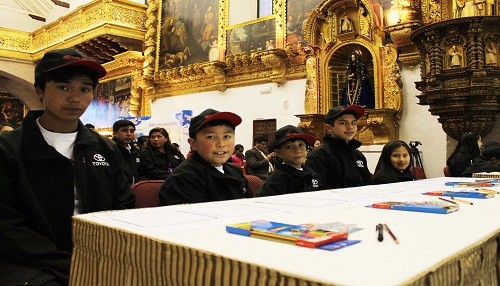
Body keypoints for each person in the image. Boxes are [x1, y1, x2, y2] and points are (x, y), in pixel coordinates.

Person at [0, 48, 135, 285]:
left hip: (99, 255)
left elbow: (122, 205)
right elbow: (7, 226)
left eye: (84, 89)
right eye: (63, 87)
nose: (75, 98)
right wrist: (70, 264)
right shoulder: (9, 150)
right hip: (30, 264)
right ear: (39, 90)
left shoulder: (105, 149)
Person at [159, 108, 252, 205]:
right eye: (211, 137)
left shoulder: (235, 172)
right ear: (194, 144)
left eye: (226, 136)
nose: (221, 144)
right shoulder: (183, 179)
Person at [305, 105, 373, 189]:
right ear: (330, 128)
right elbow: (318, 189)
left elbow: (368, 183)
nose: (350, 127)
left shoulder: (357, 154)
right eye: (343, 123)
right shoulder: (319, 155)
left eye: (353, 123)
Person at [259, 125, 320, 196]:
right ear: (278, 153)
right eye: (289, 147)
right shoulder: (277, 181)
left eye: (301, 145)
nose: (298, 151)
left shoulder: (311, 173)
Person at [112, 119, 140, 184]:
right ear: (115, 133)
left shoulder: (135, 151)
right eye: (124, 130)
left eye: (132, 131)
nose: (129, 134)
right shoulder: (110, 150)